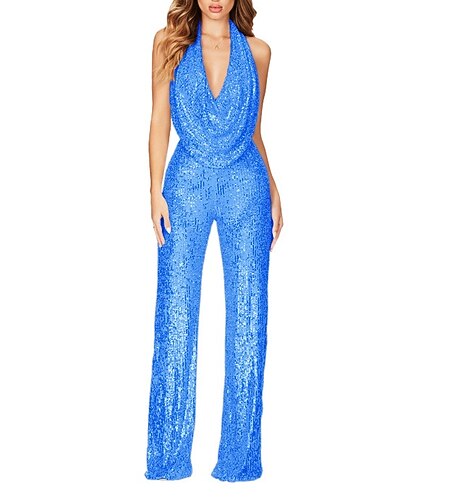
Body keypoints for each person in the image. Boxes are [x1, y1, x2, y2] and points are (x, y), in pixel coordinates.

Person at [145, 0, 283, 482]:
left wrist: (273, 188)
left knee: (249, 318)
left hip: (247, 185)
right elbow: (159, 118)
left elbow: (255, 131)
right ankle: (167, 458)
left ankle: (239, 461)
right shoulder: (169, 44)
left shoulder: (259, 52)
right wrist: (154, 189)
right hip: (184, 185)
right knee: (175, 314)